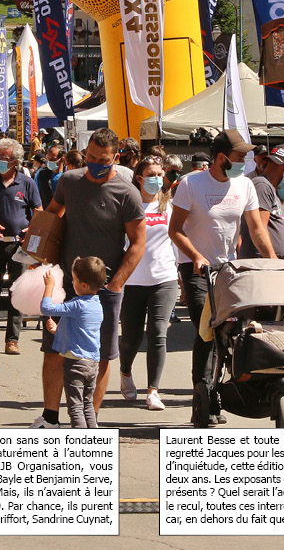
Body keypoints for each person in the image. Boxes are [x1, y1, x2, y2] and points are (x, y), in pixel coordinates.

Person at [31, 127, 146, 428]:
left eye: (103, 160)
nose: (95, 164)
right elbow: (52, 216)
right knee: (54, 349)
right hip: (67, 285)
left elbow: (137, 243)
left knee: (99, 357)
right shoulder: (70, 181)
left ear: (116, 157)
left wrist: (116, 282)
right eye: (91, 157)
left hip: (103, 289)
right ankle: (50, 417)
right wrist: (37, 250)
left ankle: (88, 422)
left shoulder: (127, 193)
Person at [169, 129, 277, 409]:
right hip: (196, 270)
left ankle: (225, 386)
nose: (244, 162)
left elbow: (256, 229)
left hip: (227, 269)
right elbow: (175, 230)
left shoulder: (245, 186)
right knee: (208, 329)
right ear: (220, 158)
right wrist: (195, 256)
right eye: (239, 157)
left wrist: (274, 262)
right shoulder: (191, 185)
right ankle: (203, 393)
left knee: (232, 330)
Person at [119, 156, 180, 411]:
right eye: (151, 174)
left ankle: (153, 390)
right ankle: (125, 372)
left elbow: (178, 241)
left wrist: (182, 277)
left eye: (160, 173)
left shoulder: (170, 207)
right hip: (132, 281)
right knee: (131, 337)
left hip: (164, 279)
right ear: (139, 178)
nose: (157, 178)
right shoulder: (128, 207)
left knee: (158, 332)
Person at [0, 139, 43, 356]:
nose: (0, 162)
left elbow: (39, 212)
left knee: (18, 292)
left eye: (4, 158)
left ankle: (12, 340)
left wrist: (30, 231)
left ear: (15, 161)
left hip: (19, 246)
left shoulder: (26, 183)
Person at [40, 258, 107, 429]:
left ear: (84, 285)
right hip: (92, 364)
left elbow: (47, 308)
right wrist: (57, 330)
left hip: (75, 364)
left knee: (75, 407)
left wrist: (49, 286)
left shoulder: (77, 304)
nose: (72, 282)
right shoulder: (97, 305)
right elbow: (82, 332)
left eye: (75, 280)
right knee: (87, 404)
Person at [239, 144, 284, 265]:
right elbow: (259, 227)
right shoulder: (262, 185)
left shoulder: (270, 188)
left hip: (266, 263)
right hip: (262, 264)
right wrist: (272, 260)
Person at [36, 143, 65, 207]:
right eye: (48, 159)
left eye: (52, 159)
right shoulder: (42, 175)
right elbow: (37, 195)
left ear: (62, 159)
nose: (49, 162)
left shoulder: (68, 175)